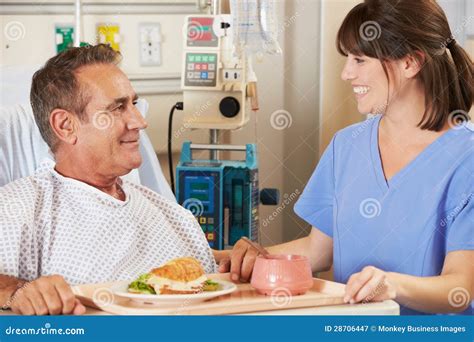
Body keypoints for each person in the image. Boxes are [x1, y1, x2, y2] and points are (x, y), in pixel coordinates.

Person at [220, 0, 473, 315]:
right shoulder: (347, 145)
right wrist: (254, 257)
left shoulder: (466, 159)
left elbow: (460, 286)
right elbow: (319, 250)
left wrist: (393, 286)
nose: (346, 73)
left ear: (410, 63)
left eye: (359, 59)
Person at [0, 44, 218, 315]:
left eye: (134, 104)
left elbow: (217, 285)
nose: (139, 121)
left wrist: (248, 265)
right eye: (118, 108)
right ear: (66, 126)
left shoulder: (175, 218)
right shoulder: (17, 211)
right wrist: (13, 290)